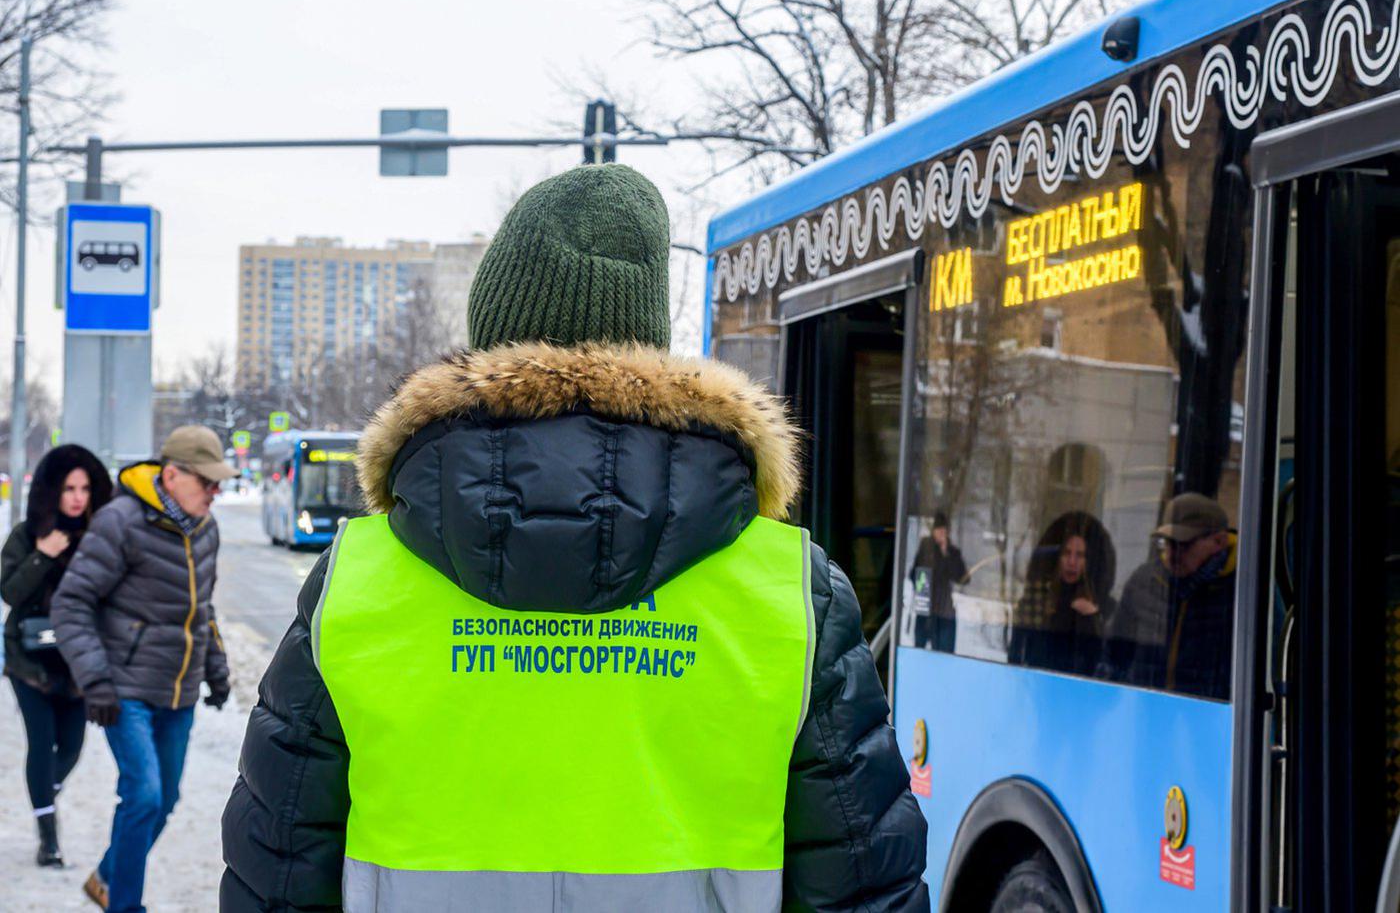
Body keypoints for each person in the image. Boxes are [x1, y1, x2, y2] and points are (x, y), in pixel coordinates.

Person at [221, 164, 929, 913]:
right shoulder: (790, 591)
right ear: (649, 346)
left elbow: (280, 866)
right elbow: (860, 876)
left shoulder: (357, 582)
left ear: (489, 346)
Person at [52, 425, 235, 912]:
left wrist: (216, 670)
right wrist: (94, 681)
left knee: (165, 799)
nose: (216, 492)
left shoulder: (206, 530)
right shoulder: (121, 521)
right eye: (208, 482)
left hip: (178, 692)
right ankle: (124, 905)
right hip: (123, 689)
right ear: (171, 476)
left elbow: (203, 609)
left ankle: (107, 877)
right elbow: (71, 603)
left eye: (219, 483)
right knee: (144, 796)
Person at [2, 445, 112, 867]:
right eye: (69, 488)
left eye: (84, 488)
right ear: (54, 491)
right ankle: (49, 839)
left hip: (77, 662)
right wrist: (42, 555)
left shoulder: (100, 536)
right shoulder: (29, 534)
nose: (77, 497)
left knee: (70, 748)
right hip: (29, 662)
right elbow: (9, 592)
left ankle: (44, 792)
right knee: (40, 741)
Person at [1105, 492, 1236, 699]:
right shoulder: (1143, 581)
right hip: (1144, 710)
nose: (1172, 554)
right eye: (1167, 543)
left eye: (1184, 545)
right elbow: (1113, 657)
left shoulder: (1240, 591)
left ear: (1218, 542)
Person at [1007, 511, 1116, 676]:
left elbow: (1106, 665)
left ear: (1089, 561)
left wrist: (1092, 618)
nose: (1072, 562)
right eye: (1066, 553)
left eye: (1079, 555)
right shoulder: (1038, 598)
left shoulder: (1103, 607)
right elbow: (1017, 652)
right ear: (1058, 557)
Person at [909, 510, 968, 651]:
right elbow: (913, 573)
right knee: (920, 651)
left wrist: (945, 552)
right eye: (938, 530)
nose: (941, 533)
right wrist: (921, 585)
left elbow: (962, 578)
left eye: (944, 530)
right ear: (933, 531)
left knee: (943, 653)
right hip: (925, 609)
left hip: (944, 612)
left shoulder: (953, 552)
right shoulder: (925, 547)